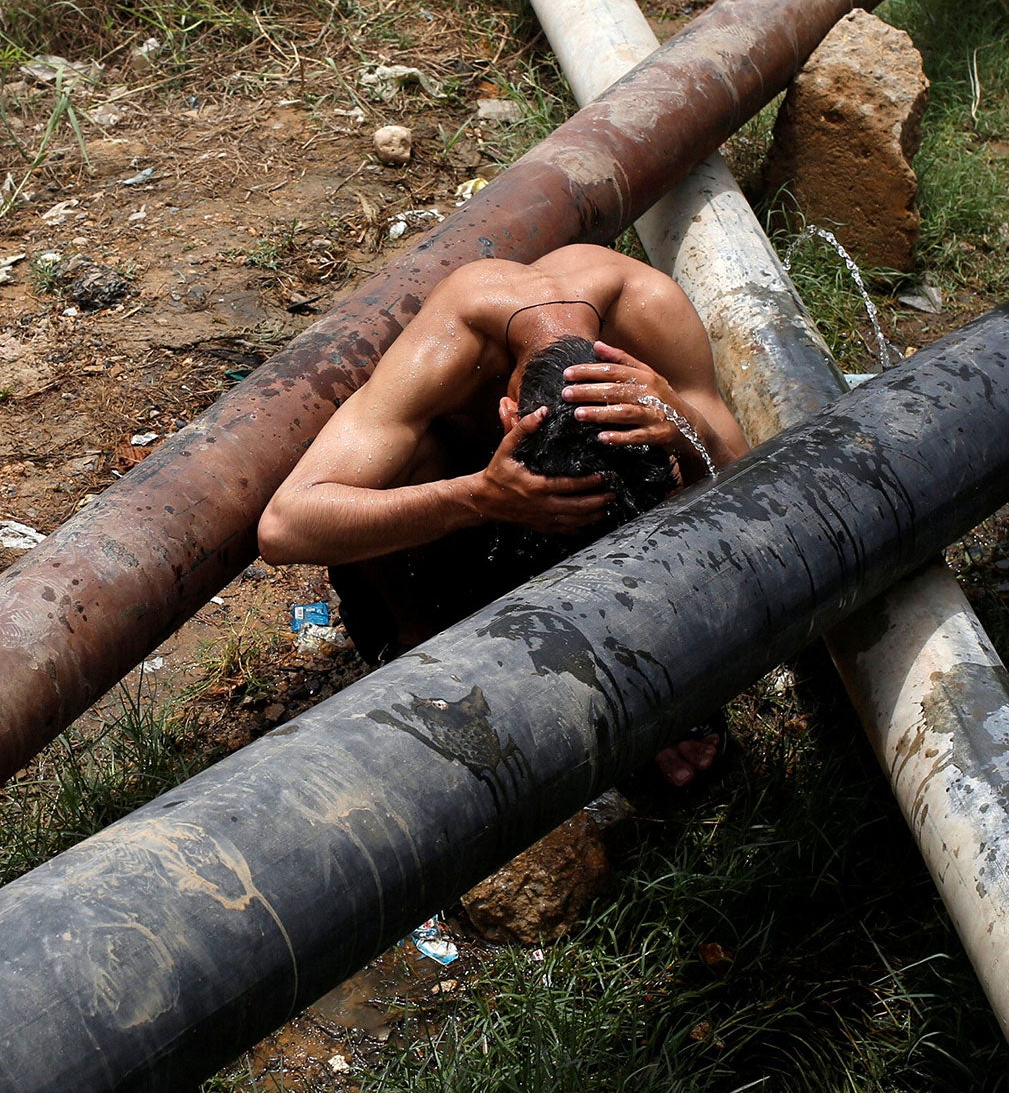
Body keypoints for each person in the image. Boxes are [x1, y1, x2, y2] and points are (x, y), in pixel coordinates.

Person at [257, 243, 748, 787]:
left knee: (697, 472)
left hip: (583, 545)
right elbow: (285, 527)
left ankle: (642, 661)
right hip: (462, 550)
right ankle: (425, 663)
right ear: (508, 412)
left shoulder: (651, 313)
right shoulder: (454, 343)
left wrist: (692, 431)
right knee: (404, 465)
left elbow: (756, 501)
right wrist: (480, 496)